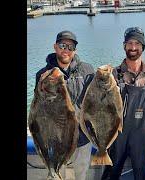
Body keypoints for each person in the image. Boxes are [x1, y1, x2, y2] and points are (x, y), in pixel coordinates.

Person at [101, 27, 145, 180]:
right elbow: (100, 108)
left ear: (143, 47)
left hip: (143, 140)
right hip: (116, 138)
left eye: (137, 44)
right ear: (124, 46)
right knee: (110, 174)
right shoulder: (112, 75)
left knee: (143, 175)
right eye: (130, 43)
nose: (133, 47)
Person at [34, 30, 95, 180]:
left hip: (83, 138)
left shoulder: (87, 70)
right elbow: (38, 109)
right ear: (55, 47)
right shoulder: (43, 74)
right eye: (62, 45)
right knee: (58, 173)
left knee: (81, 174)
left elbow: (94, 101)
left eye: (70, 47)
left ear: (75, 50)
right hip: (55, 139)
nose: (66, 50)